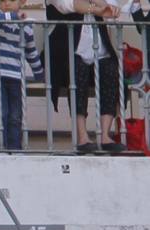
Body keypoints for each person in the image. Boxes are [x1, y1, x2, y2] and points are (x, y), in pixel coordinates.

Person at [46, 0, 130, 154]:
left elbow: (112, 10)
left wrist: (102, 6)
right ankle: (82, 135)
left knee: (112, 69)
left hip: (99, 52)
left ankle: (105, 135)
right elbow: (67, 6)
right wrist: (96, 10)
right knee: (78, 70)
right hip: (67, 54)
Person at [0, 0, 45, 151]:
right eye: (3, 0)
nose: (7, 3)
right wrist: (14, 16)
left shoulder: (25, 26)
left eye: (11, 0)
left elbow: (31, 51)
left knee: (15, 116)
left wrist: (39, 74)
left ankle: (14, 148)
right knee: (0, 114)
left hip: (15, 76)